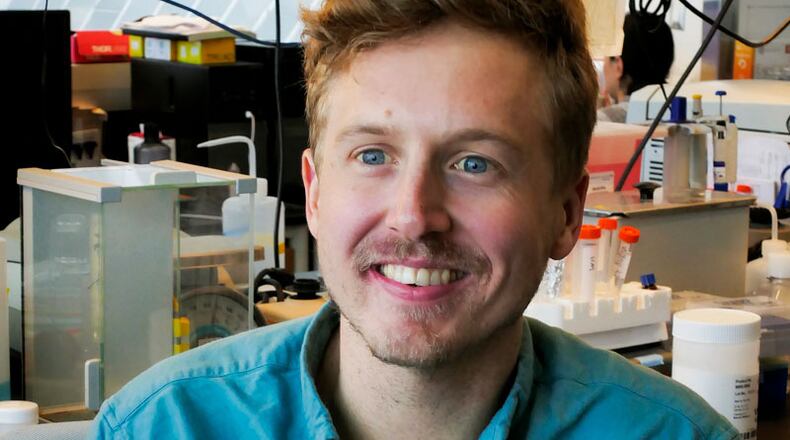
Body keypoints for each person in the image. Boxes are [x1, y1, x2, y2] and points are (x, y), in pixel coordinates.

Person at [91, 1, 736, 438]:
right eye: (372, 155)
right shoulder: (161, 426)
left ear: (566, 213)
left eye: (476, 164)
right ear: (313, 194)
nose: (414, 217)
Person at [599, 13, 675, 122]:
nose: (603, 66)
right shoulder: (676, 115)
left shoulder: (602, 121)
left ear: (618, 67)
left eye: (605, 57)